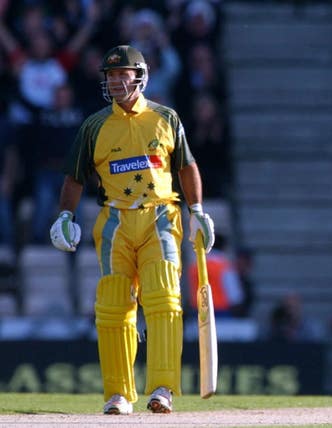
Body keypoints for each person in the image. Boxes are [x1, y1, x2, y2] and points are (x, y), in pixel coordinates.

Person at [49, 45, 215, 415]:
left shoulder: (165, 117)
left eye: (123, 74)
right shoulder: (94, 125)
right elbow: (74, 177)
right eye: (110, 75)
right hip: (114, 222)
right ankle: (119, 394)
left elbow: (187, 166)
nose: (116, 81)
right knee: (112, 306)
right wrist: (65, 216)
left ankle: (162, 389)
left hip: (160, 216)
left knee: (164, 300)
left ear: (139, 77)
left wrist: (197, 209)